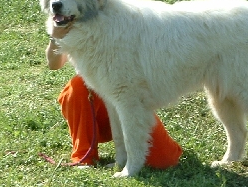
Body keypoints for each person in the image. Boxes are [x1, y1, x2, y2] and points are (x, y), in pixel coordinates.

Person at [46, 23, 183, 169]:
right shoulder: (66, 20)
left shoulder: (118, 19)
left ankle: (131, 149)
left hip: (125, 94)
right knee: (77, 86)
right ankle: (83, 156)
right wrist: (56, 36)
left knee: (166, 160)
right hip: (94, 101)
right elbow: (54, 64)